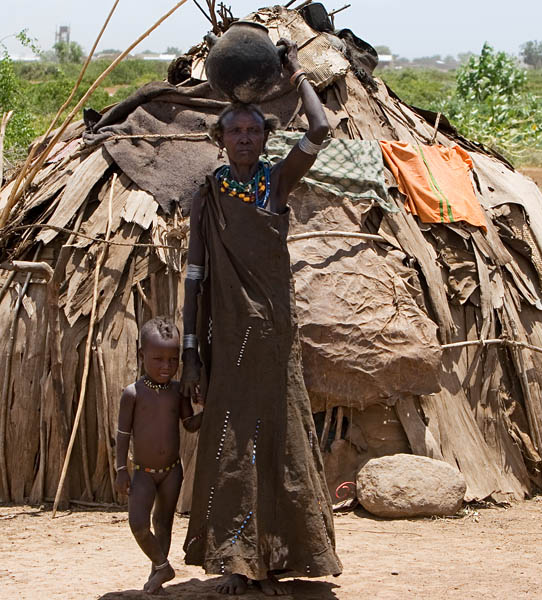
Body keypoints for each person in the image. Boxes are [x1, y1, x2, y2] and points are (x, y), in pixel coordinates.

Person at [180, 39, 343, 596]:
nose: (244, 138)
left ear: (265, 139)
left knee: (279, 441)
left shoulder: (276, 183)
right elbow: (195, 274)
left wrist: (296, 74)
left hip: (273, 339)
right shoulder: (209, 193)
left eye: (253, 131)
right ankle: (235, 560)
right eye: (235, 131)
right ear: (220, 139)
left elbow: (318, 130)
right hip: (228, 341)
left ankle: (276, 557)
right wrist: (189, 351)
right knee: (231, 443)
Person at [115, 317, 202, 594]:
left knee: (163, 523)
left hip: (172, 471)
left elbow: (188, 425)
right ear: (142, 356)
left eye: (172, 360)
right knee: (139, 524)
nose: (166, 366)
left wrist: (209, 412)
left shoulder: (178, 392)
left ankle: (157, 575)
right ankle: (163, 565)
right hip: (143, 472)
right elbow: (123, 434)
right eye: (158, 359)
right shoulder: (133, 394)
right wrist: (120, 469)